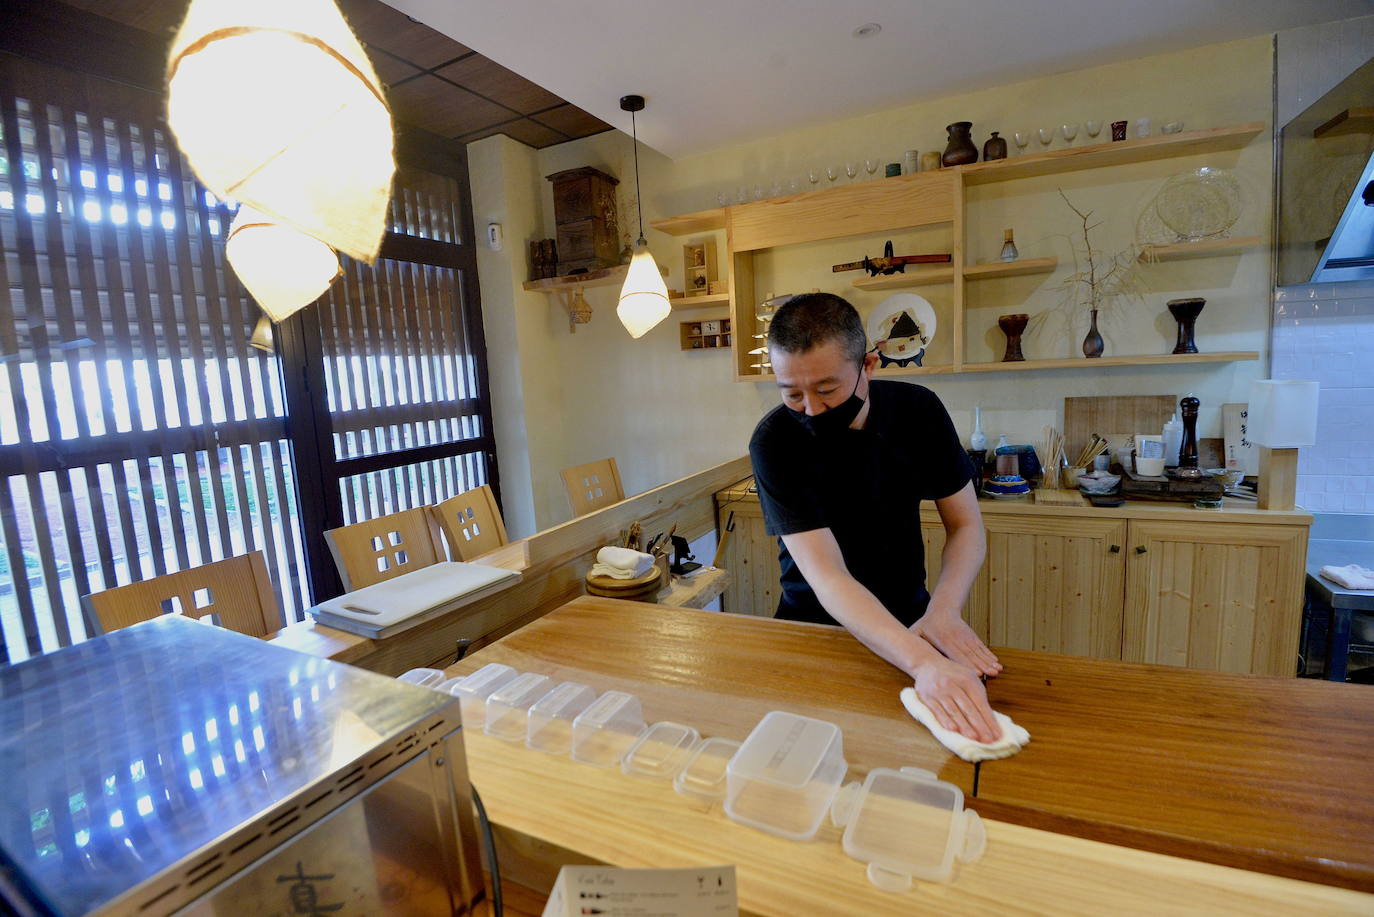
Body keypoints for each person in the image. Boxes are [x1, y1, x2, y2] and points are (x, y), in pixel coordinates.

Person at [748, 292, 1002, 742]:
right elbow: (828, 577)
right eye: (792, 393)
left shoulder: (917, 411)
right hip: (813, 626)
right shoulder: (774, 442)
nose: (810, 409)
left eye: (827, 389)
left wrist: (944, 611)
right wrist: (924, 663)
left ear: (868, 365)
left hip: (912, 618)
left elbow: (965, 524)